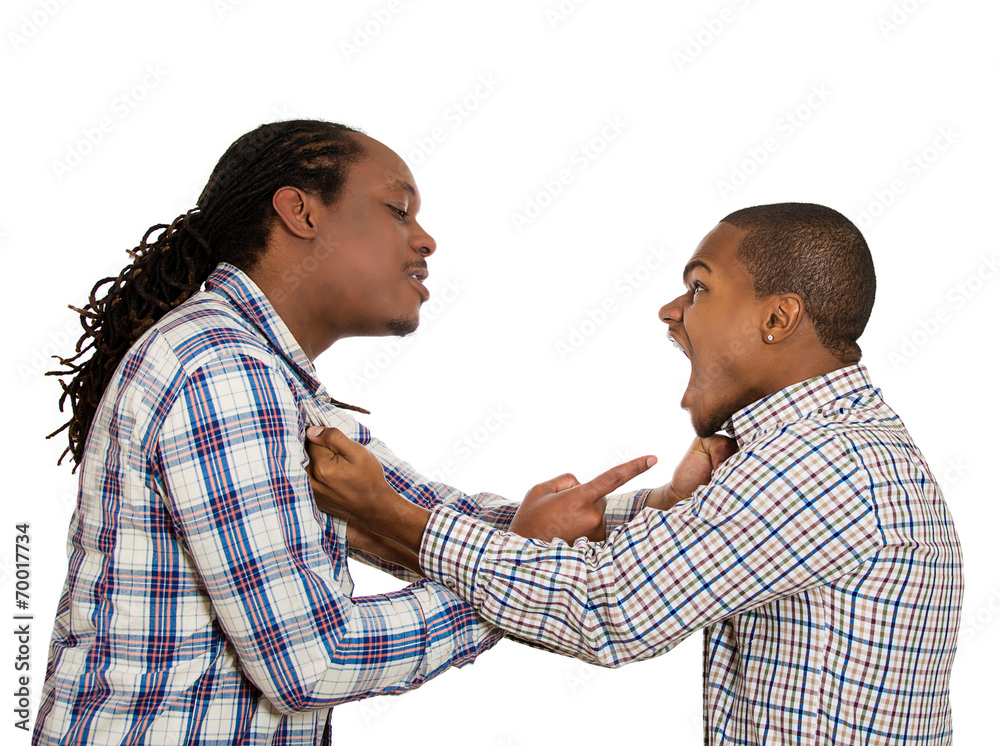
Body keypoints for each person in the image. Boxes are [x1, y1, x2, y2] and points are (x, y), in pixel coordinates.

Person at [35, 119, 703, 746]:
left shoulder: (271, 378)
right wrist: (511, 579)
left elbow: (425, 517)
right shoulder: (223, 371)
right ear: (301, 213)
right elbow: (312, 661)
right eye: (397, 210)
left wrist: (663, 504)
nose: (425, 240)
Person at [306, 203, 964, 745]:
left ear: (777, 318)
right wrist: (367, 516)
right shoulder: (821, 448)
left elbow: (608, 604)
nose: (671, 310)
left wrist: (393, 516)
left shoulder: (823, 463)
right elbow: (577, 552)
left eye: (700, 287)